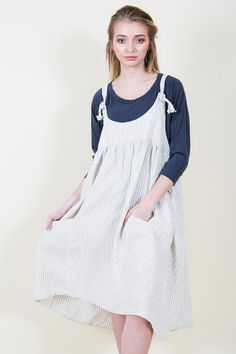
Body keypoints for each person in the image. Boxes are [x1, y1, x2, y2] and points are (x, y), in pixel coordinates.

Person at [32, 5, 193, 354]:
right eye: (122, 40)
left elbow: (179, 154)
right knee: (119, 297)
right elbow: (99, 165)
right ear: (112, 44)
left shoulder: (169, 89)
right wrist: (66, 206)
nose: (130, 48)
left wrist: (146, 205)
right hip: (106, 210)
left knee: (141, 300)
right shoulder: (101, 100)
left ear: (150, 43)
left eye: (139, 40)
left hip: (150, 210)